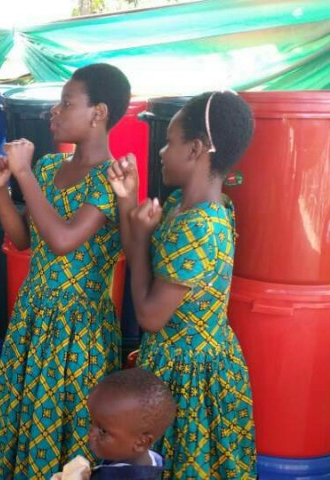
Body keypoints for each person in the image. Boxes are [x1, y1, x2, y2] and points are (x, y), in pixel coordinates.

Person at [0, 63, 131, 479]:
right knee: (23, 410)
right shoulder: (48, 168)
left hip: (79, 326)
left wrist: (22, 173)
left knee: (69, 420)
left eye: (66, 103)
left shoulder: (111, 178)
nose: (54, 111)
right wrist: (0, 189)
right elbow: (24, 239)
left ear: (99, 113)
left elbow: (63, 240)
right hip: (35, 312)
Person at [106, 91, 256, 478]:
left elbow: (149, 316)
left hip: (188, 374)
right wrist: (127, 199)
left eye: (169, 142)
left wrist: (141, 237)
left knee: (182, 462)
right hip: (178, 361)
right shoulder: (181, 207)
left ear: (195, 149)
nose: (161, 151)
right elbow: (139, 256)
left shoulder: (200, 227)